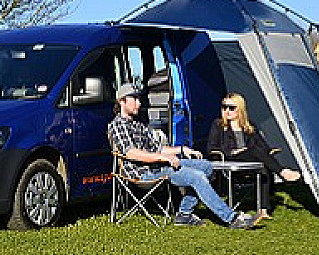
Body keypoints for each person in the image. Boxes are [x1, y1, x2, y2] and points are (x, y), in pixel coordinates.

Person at [107, 83, 261, 229]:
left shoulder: (138, 124)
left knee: (206, 166)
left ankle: (184, 214)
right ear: (122, 101)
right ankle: (232, 218)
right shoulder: (118, 125)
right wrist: (164, 159)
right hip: (142, 173)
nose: (138, 103)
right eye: (134, 99)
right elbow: (132, 153)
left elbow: (159, 148)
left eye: (139, 99)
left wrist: (182, 149)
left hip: (157, 165)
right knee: (196, 176)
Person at [206, 92, 301, 219]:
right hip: (231, 161)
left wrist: (253, 150)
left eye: (231, 107)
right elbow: (211, 148)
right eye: (224, 107)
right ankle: (282, 172)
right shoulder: (218, 125)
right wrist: (233, 152)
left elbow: (264, 147)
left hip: (251, 161)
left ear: (240, 109)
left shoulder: (249, 126)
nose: (227, 111)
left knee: (263, 168)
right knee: (255, 150)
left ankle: (263, 210)